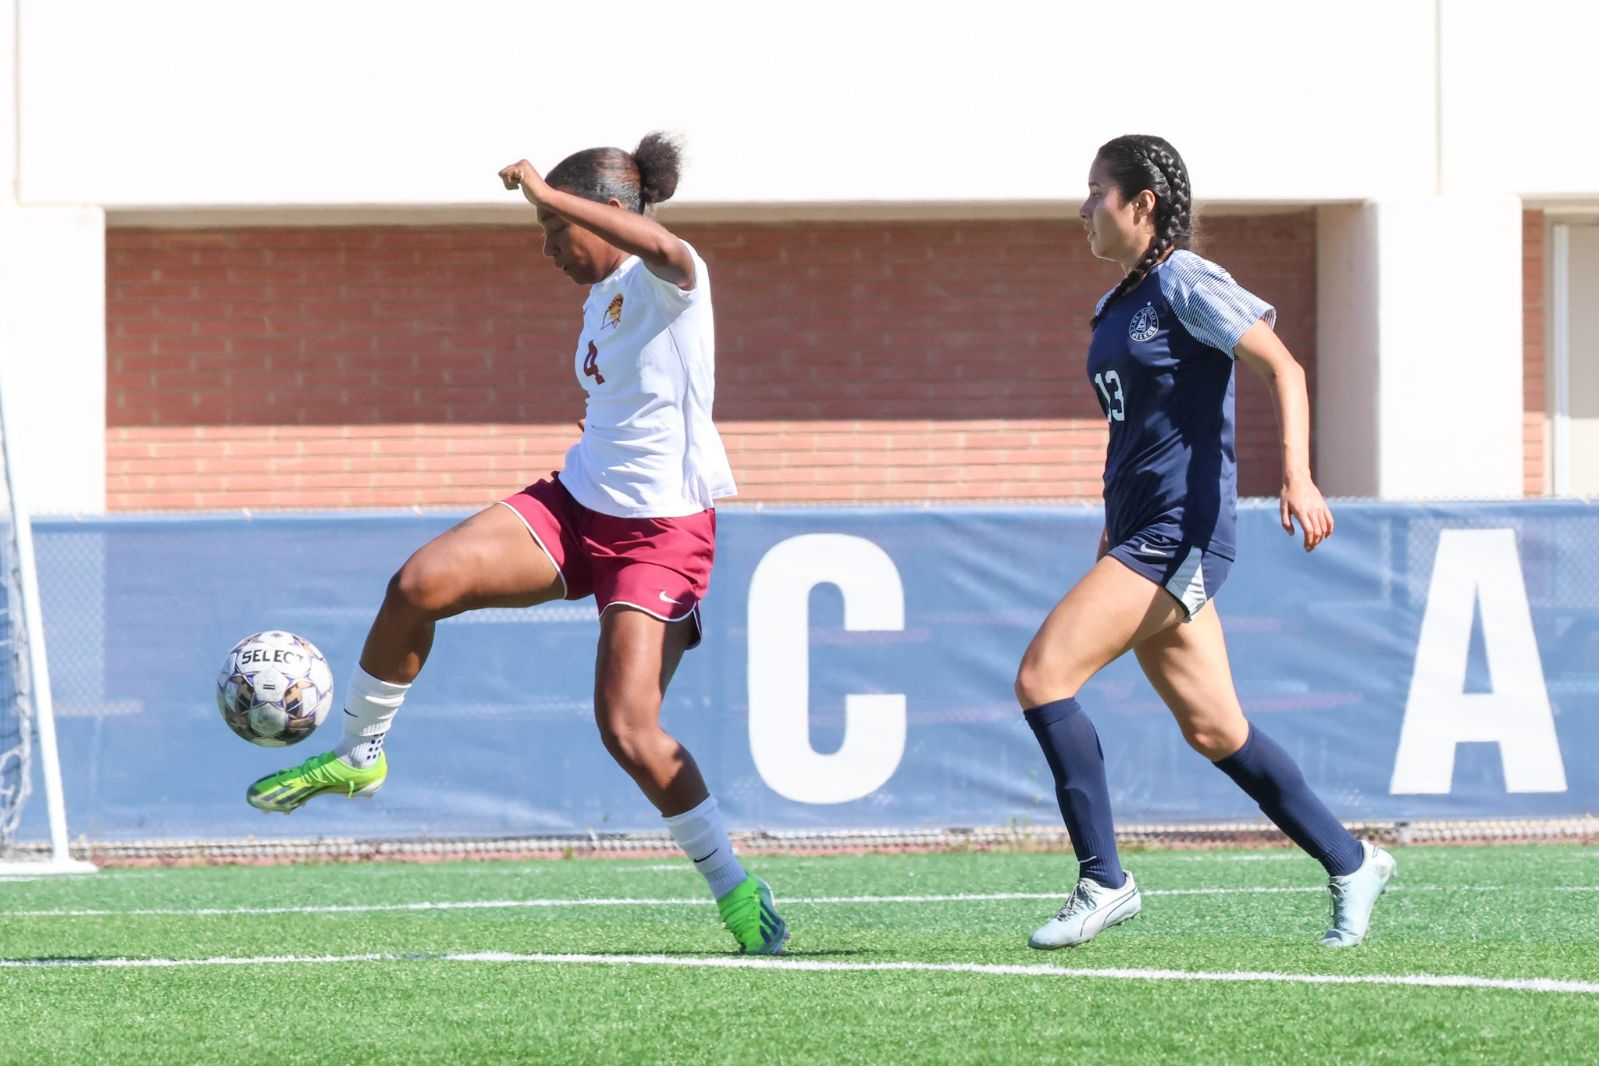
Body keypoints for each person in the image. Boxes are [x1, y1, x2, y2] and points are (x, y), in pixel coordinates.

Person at [245, 132, 787, 956]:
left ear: (605, 213)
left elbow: (665, 244)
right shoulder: (600, 300)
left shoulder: (672, 279)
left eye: (553, 231)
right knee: (419, 583)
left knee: (628, 729)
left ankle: (735, 889)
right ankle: (358, 754)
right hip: (577, 507)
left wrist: (542, 186)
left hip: (660, 535)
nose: (547, 248)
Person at [1016, 134, 1394, 950]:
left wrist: (1296, 476)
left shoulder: (1183, 280)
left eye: (1095, 193)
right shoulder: (1117, 303)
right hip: (1140, 535)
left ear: (1139, 204)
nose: (1083, 209)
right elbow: (1136, 441)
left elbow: (1282, 367)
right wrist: (1109, 535)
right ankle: (1350, 859)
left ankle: (1103, 881)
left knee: (1043, 678)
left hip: (1179, 537)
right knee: (1216, 729)